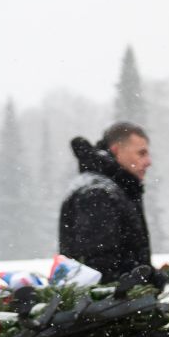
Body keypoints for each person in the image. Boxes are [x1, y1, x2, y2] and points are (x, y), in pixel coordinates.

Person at [59, 122, 155, 285]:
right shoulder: (98, 194)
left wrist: (153, 276)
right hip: (104, 307)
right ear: (117, 150)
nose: (148, 161)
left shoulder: (118, 189)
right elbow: (99, 268)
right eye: (141, 153)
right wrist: (147, 279)